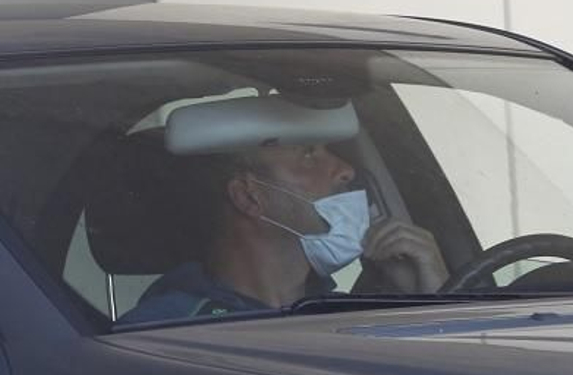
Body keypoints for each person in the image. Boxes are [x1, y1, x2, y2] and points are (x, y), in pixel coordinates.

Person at [120, 135, 447, 324]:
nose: (346, 170)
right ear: (249, 196)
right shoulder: (165, 329)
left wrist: (435, 295)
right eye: (308, 154)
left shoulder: (348, 314)